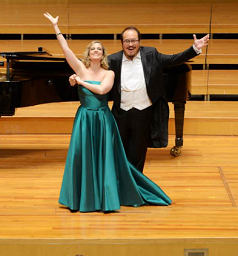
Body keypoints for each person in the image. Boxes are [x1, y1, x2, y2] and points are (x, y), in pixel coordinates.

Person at [44, 12, 172, 213]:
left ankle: (109, 195)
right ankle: (84, 198)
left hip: (104, 120)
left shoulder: (109, 72)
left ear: (103, 54)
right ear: (88, 53)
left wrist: (79, 81)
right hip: (84, 119)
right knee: (82, 157)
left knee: (105, 158)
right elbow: (66, 49)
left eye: (99, 49)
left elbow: (102, 90)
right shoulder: (79, 68)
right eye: (93, 48)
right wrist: (55, 27)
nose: (95, 51)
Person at [72, 27, 209, 172]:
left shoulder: (152, 55)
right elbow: (91, 70)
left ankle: (136, 188)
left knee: (138, 154)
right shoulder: (113, 60)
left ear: (139, 41)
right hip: (121, 114)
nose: (130, 44)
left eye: (134, 41)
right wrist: (75, 77)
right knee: (119, 152)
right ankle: (121, 186)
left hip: (143, 113)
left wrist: (195, 48)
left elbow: (175, 59)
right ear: (121, 43)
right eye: (127, 41)